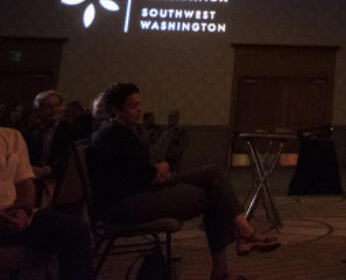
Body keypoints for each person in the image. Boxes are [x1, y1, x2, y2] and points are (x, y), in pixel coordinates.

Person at [89, 83, 279, 280]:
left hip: (137, 194)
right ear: (116, 109)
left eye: (140, 104)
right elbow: (145, 177)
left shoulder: (121, 131)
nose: (139, 110)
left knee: (214, 183)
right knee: (213, 187)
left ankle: (233, 250)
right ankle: (238, 241)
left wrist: (158, 169)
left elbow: (141, 172)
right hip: (124, 205)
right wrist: (162, 168)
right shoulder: (114, 135)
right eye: (132, 106)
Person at [0, 124, 94, 279]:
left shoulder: (11, 137)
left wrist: (23, 209)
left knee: (74, 229)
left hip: (13, 213)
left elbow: (25, 182)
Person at [23, 90, 76, 186]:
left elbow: (70, 158)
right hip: (33, 180)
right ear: (38, 110)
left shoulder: (71, 130)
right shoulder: (30, 130)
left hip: (60, 182)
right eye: (48, 106)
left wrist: (47, 170)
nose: (54, 110)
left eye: (57, 105)